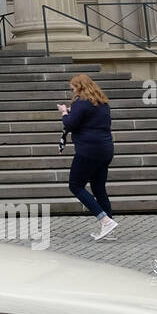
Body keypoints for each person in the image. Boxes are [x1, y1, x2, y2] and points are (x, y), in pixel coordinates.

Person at [58, 72, 118, 240]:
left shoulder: (81, 102)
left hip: (88, 150)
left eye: (73, 88)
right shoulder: (102, 102)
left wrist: (64, 112)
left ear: (80, 87)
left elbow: (70, 123)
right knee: (99, 188)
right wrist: (72, 111)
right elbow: (89, 119)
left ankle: (105, 221)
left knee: (75, 185)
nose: (72, 92)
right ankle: (110, 229)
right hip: (105, 149)